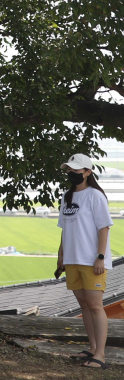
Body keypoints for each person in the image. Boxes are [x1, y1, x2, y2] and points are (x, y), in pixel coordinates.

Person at [56, 153, 113, 369]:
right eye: (69, 170)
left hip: (92, 261)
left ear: (88, 172)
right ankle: (91, 348)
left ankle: (100, 355)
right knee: (84, 305)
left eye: (76, 171)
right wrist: (61, 255)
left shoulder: (95, 196)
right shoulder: (67, 196)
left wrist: (100, 256)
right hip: (72, 260)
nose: (71, 174)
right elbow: (65, 229)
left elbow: (104, 228)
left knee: (96, 306)